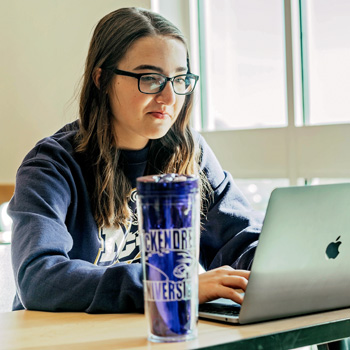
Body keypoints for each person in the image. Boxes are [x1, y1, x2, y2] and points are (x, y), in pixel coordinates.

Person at [8, 7, 262, 313]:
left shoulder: (189, 153)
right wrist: (170, 286)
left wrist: (277, 267)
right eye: (150, 79)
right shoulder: (50, 166)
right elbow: (39, 279)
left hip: (149, 336)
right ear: (102, 79)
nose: (169, 98)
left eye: (180, 79)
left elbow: (239, 239)